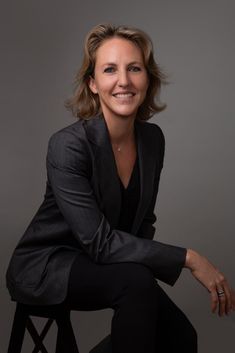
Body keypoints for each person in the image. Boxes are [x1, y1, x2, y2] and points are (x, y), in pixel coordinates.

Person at [6, 23, 235, 353]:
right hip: (48, 265)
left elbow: (143, 224)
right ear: (93, 83)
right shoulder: (68, 146)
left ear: (147, 79)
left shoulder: (152, 140)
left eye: (134, 68)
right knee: (135, 283)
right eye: (110, 69)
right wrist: (190, 259)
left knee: (181, 336)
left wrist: (139, 260)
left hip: (105, 261)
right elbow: (98, 242)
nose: (124, 81)